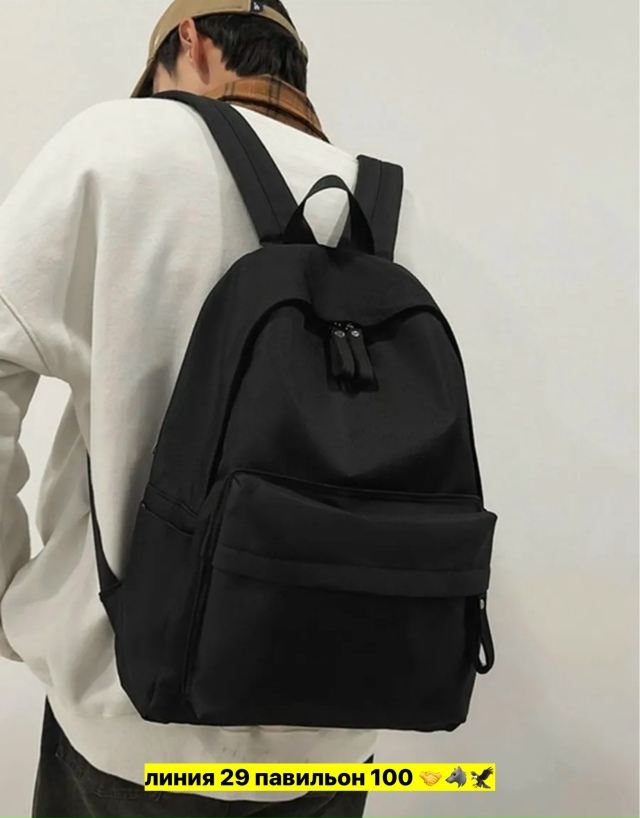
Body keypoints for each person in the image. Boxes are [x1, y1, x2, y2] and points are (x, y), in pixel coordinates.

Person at [0, 1, 422, 815]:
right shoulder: (388, 201)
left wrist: (13, 600)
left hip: (135, 726)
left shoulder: (120, 142)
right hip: (341, 734)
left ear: (187, 41)